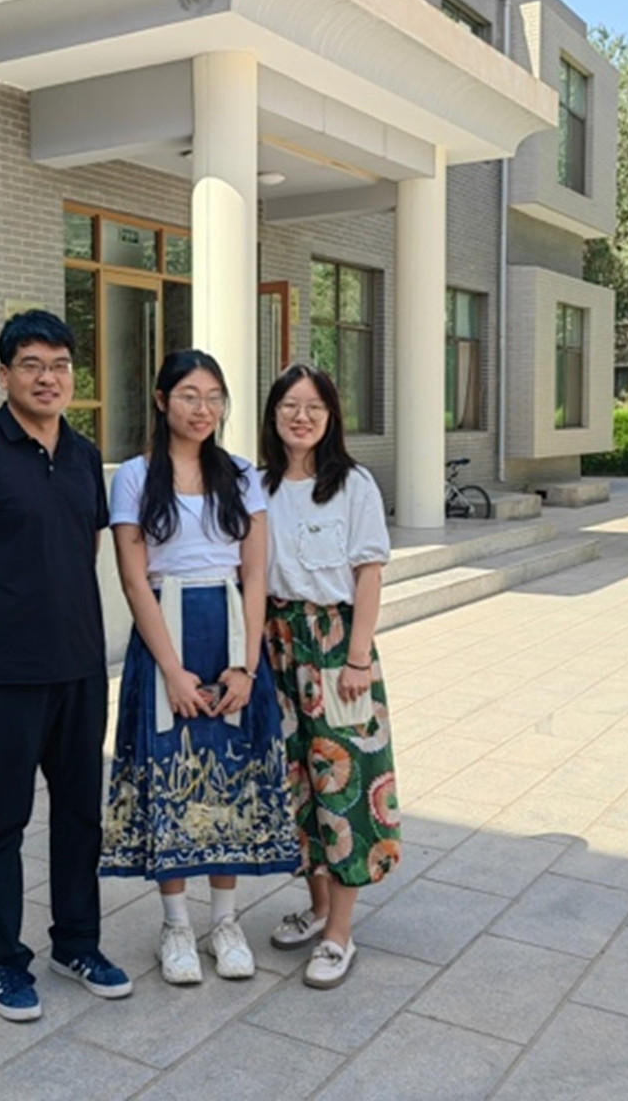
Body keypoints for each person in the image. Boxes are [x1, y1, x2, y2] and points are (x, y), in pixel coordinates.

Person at [0, 309, 132, 1022]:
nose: (49, 377)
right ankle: (4, 961)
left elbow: (85, 550)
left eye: (61, 365)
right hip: (6, 676)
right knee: (4, 818)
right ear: (5, 373)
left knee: (80, 815)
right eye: (33, 364)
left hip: (79, 669)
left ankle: (77, 942)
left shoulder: (81, 455)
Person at [100, 348, 298, 985]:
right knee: (170, 775)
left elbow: (255, 573)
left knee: (230, 778)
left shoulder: (243, 475)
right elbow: (134, 581)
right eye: (189, 394)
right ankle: (176, 926)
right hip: (166, 633)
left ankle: (226, 921)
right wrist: (172, 671)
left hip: (232, 630)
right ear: (162, 401)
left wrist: (246, 667)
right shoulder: (133, 476)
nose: (203, 408)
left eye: (214, 396)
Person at [258, 363, 401, 989]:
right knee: (296, 786)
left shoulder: (353, 484)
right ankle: (318, 911)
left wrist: (358, 658)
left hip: (337, 646)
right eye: (290, 405)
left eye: (314, 407)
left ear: (330, 415)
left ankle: (341, 933)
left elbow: (369, 572)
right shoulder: (255, 486)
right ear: (273, 414)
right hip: (277, 646)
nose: (301, 417)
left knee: (344, 786)